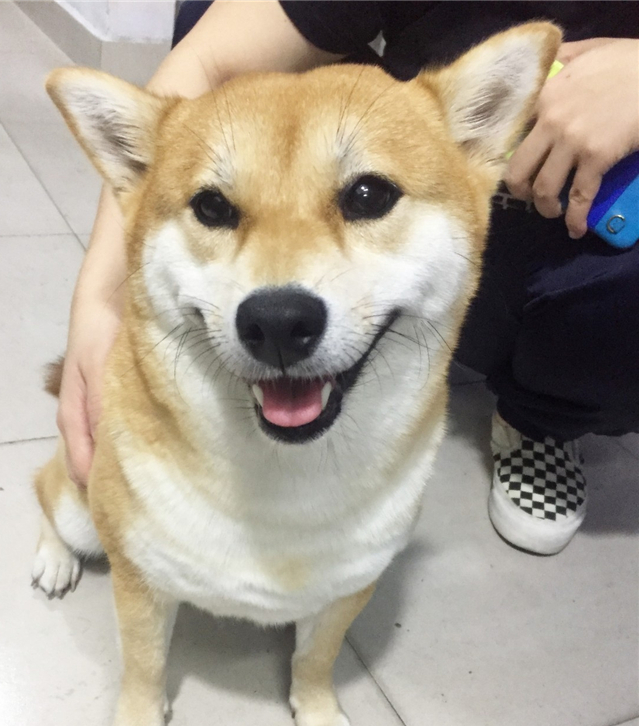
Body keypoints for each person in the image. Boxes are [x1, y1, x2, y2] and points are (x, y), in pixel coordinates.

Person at [57, 0, 639, 555]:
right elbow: (210, 60)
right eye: (215, 208)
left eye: (366, 197)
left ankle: (541, 421)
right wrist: (100, 302)